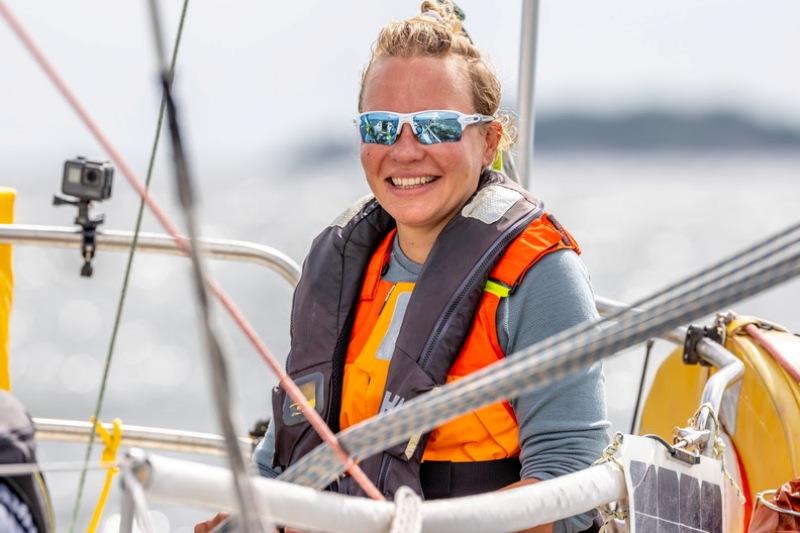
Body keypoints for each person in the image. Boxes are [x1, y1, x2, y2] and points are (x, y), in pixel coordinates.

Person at [200, 2, 609, 532]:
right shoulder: (341, 268)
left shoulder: (539, 277)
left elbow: (570, 488)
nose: (405, 150)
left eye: (437, 127)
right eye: (381, 126)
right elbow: (287, 451)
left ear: (488, 142)